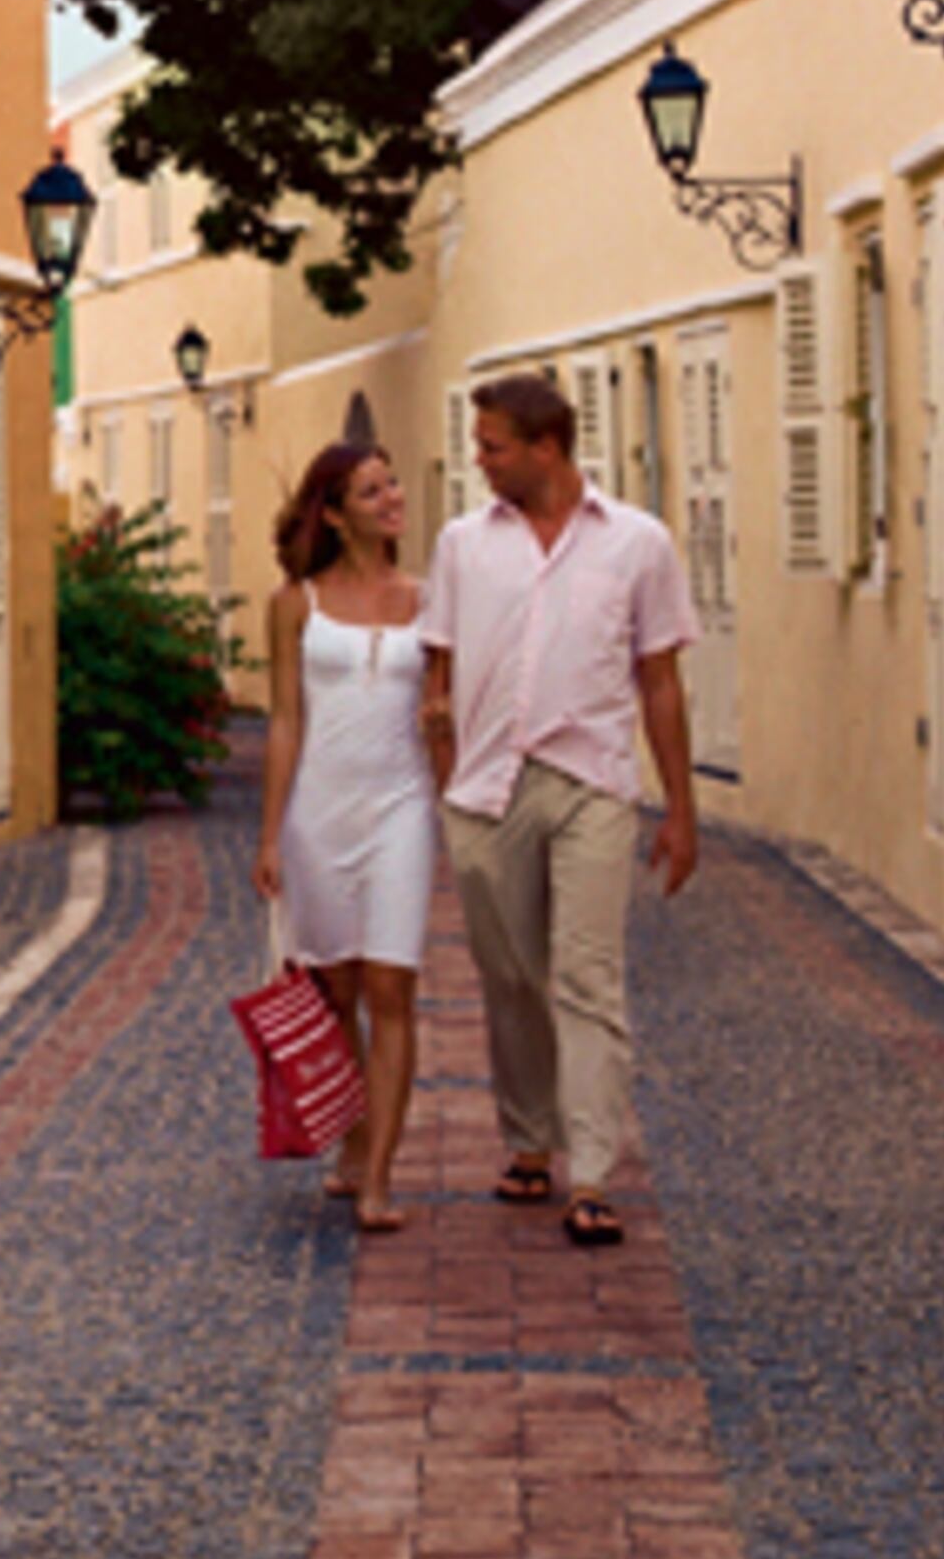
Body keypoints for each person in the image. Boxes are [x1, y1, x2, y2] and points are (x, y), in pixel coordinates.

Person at [415, 372, 704, 1249]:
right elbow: (437, 674)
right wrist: (444, 780)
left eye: (493, 445)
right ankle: (528, 1138)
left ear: (546, 448)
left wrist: (680, 812)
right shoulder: (463, 544)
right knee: (511, 978)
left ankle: (592, 1173)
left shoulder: (638, 545)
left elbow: (660, 681)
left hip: (592, 783)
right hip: (485, 789)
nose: (479, 459)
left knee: (586, 975)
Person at [251, 441, 437, 1234]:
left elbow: (446, 702)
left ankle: (380, 1180)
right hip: (318, 810)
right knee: (337, 990)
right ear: (333, 512)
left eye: (392, 484)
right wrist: (269, 835)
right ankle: (355, 1137)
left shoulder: (429, 601)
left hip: (401, 805)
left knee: (393, 986)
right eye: (372, 489)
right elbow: (287, 721)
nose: (393, 497)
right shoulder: (296, 603)